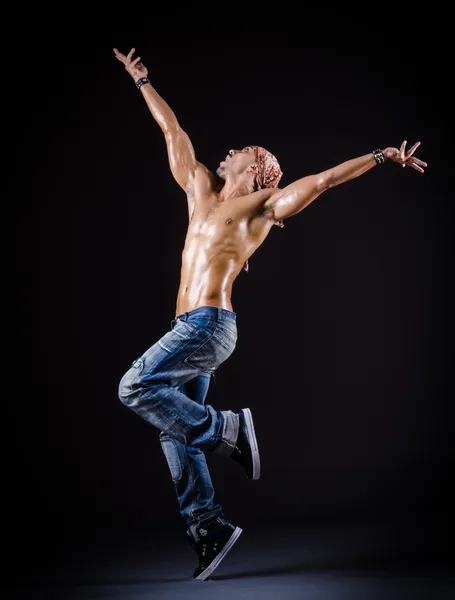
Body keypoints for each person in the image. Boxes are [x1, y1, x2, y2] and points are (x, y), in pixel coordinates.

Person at [113, 47, 427, 581]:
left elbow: (323, 181)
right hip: (184, 331)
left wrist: (379, 156)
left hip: (209, 327)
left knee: (134, 388)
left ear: (258, 170)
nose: (229, 150)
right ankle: (208, 527)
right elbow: (173, 134)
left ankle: (228, 428)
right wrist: (142, 81)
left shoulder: (262, 207)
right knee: (172, 428)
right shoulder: (200, 191)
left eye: (243, 150)